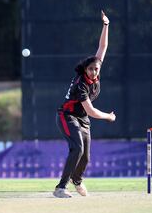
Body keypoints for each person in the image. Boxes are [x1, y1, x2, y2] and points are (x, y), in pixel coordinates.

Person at [53, 11, 116, 198]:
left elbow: (103, 46)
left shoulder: (97, 68)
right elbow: (91, 110)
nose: (94, 71)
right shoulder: (81, 84)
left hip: (82, 119)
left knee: (86, 157)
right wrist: (108, 116)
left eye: (96, 68)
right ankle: (60, 188)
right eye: (90, 69)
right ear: (85, 70)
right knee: (77, 148)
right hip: (67, 116)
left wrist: (106, 25)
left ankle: (77, 180)